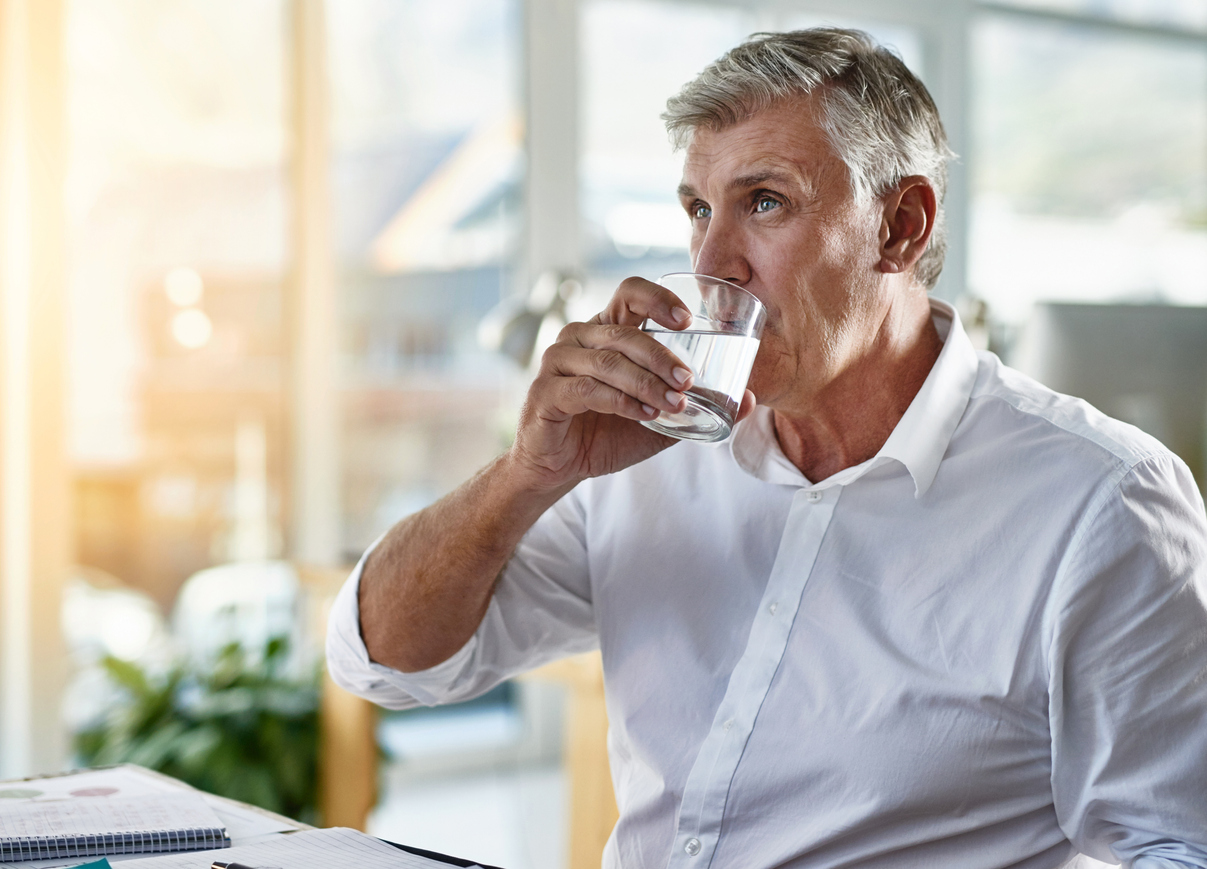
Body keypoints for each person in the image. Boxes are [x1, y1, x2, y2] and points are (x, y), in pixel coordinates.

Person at [328, 28, 1207, 868]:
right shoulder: (651, 448)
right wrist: (528, 474)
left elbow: (1185, 842)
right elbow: (386, 662)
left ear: (899, 226)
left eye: (764, 202)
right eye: (697, 209)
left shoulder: (1101, 503)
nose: (713, 260)